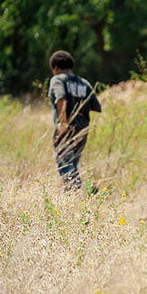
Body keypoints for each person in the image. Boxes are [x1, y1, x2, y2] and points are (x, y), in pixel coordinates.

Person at [48, 50, 101, 191]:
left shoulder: (57, 79)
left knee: (65, 164)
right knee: (73, 165)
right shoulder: (84, 83)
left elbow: (60, 98)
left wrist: (63, 123)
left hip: (66, 130)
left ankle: (75, 194)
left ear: (56, 68)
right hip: (82, 131)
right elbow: (95, 106)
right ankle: (73, 196)